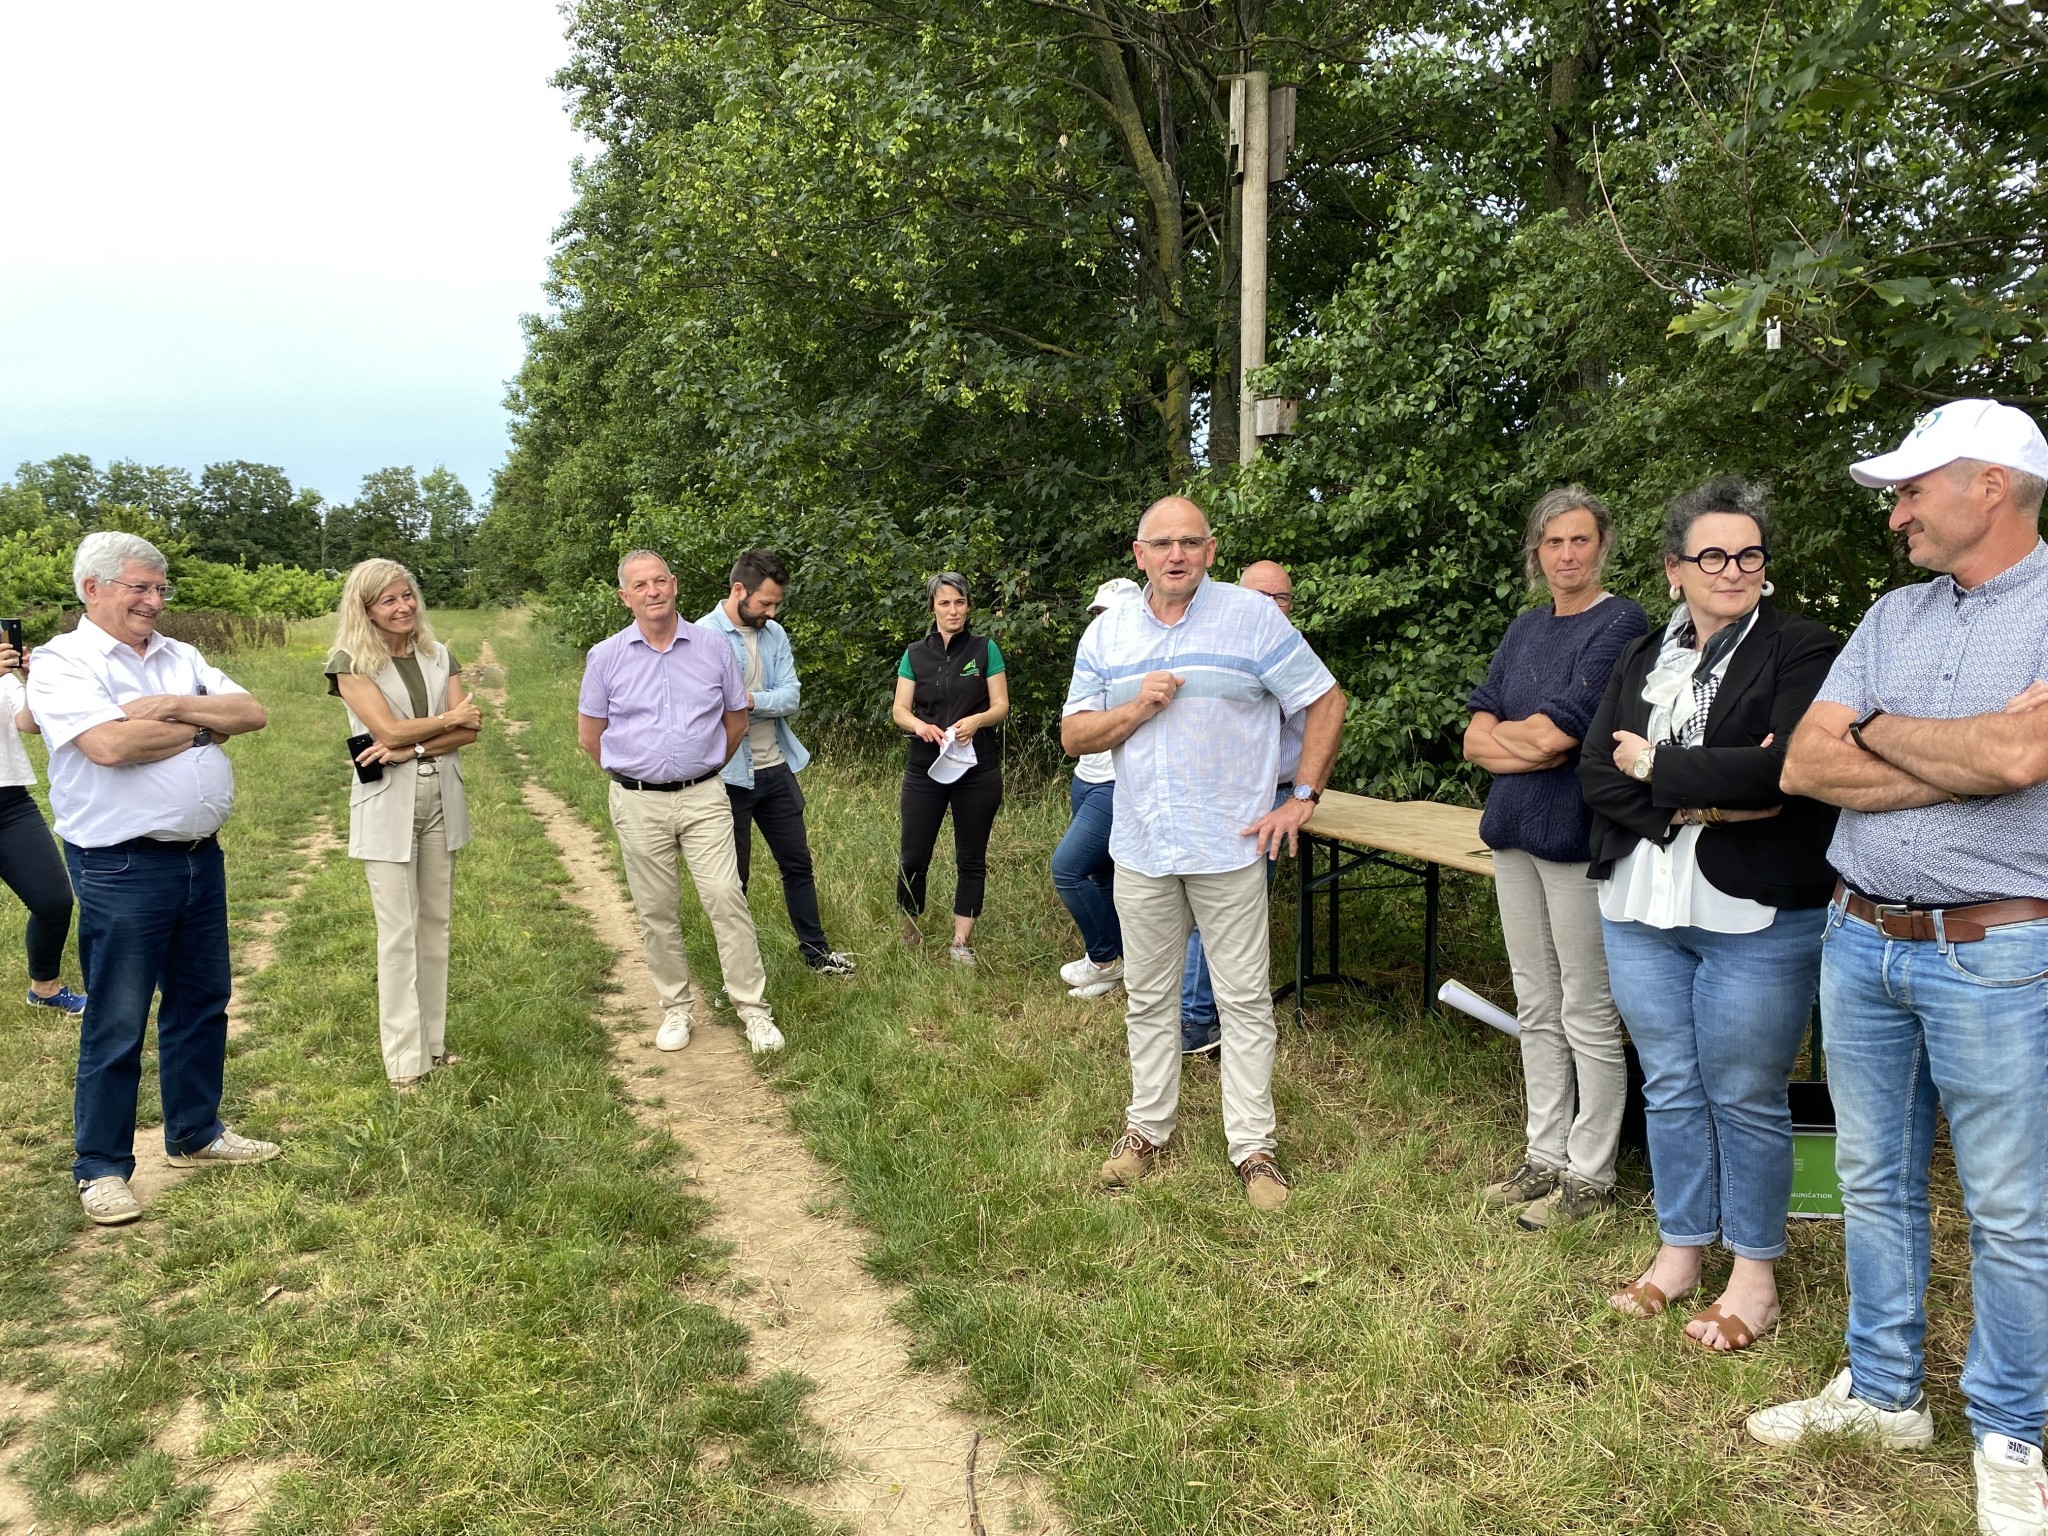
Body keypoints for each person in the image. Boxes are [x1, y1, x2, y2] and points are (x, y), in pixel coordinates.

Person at [1750, 399, 2048, 1535]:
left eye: (1913, 487)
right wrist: (1974, 753)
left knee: (2010, 1211)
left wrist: (1890, 733)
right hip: (1858, 933)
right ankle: (1882, 1395)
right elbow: (1806, 763)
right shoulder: (1890, 613)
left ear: (1988, 486)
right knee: (1871, 1179)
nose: (1895, 509)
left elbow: (2026, 752)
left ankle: (2010, 1433)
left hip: (1998, 947)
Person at [1577, 477, 1840, 1350]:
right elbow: (1595, 773)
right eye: (1712, 556)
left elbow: (1784, 773)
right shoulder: (1646, 652)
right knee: (1674, 1085)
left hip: (1756, 910)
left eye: (1749, 554)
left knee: (1746, 1091)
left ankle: (1755, 1275)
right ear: (1675, 569)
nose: (1733, 570)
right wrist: (1699, 793)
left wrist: (1659, 766)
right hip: (1640, 902)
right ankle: (1680, 1252)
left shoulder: (1800, 649)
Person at [1064, 497, 1345, 1212]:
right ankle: (1145, 1131)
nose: (1177, 554)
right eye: (1162, 543)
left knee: (1244, 1001)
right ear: (1139, 555)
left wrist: (1303, 794)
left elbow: (1326, 699)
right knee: (1150, 998)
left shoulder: (1251, 618)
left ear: (1211, 550)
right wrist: (1136, 710)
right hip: (1142, 847)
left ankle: (1254, 1148)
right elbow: (1075, 737)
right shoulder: (1109, 635)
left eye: (1190, 542)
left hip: (1231, 846)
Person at [27, 532, 277, 1226]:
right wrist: (204, 724)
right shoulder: (62, 662)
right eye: (139, 587)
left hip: (200, 855)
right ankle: (101, 1168)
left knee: (202, 999)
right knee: (118, 1017)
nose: (153, 601)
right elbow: (109, 745)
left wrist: (169, 708)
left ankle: (195, 1132)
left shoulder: (178, 656)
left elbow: (251, 713)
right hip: (121, 863)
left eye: (160, 589)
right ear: (93, 588)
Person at [1463, 487, 1647, 1230]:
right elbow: (1478, 732)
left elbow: (1556, 735)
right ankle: (1542, 1154)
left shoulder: (1623, 621)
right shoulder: (1524, 627)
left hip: (1575, 837)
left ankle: (1591, 1172)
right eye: (1553, 543)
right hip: (1511, 832)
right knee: (1535, 1002)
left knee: (1587, 1005)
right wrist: (1524, 741)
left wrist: (1521, 740)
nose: (1567, 555)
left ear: (1602, 545)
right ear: (1536, 553)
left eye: (1580, 541)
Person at [577, 550, 784, 1056]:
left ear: (675, 586)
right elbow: (590, 736)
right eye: (640, 586)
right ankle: (676, 1008)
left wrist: (705, 764)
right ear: (625, 598)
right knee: (657, 910)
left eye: (660, 582)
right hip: (637, 802)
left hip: (704, 796)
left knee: (725, 896)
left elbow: (736, 721)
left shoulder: (714, 648)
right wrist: (636, 775)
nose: (653, 592)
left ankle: (754, 1012)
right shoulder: (605, 657)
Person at [327, 560, 482, 1091]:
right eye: (389, 600)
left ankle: (433, 1047)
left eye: (408, 596)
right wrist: (444, 721)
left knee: (435, 925)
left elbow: (470, 731)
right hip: (387, 803)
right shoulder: (349, 662)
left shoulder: (438, 654)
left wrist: (414, 745)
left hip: (442, 793)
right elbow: (386, 730)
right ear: (365, 608)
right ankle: (403, 1062)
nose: (403, 607)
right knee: (398, 933)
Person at [696, 550, 855, 977]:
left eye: (776, 604)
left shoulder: (775, 634)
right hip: (727, 775)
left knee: (798, 865)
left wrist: (748, 701)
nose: (771, 611)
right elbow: (705, 706)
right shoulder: (699, 637)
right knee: (734, 880)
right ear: (737, 591)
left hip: (776, 768)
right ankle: (739, 973)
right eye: (765, 603)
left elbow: (791, 697)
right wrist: (747, 704)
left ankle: (817, 956)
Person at [1178, 559, 1311, 1055]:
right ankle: (1194, 1020)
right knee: (1219, 910)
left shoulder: (1296, 653)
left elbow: (1327, 713)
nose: (1272, 607)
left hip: (1277, 796)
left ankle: (1200, 1013)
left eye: (1282, 599)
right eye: (1260, 597)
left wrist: (1303, 795)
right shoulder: (1221, 647)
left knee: (1233, 911)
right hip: (1222, 794)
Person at [892, 572, 1010, 964]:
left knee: (971, 856)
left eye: (959, 602)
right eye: (944, 603)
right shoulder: (915, 654)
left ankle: (961, 942)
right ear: (932, 608)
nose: (952, 610)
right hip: (926, 767)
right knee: (913, 854)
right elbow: (899, 710)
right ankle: (909, 932)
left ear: (968, 606)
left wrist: (976, 721)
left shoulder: (984, 649)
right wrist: (918, 726)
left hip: (976, 768)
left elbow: (1001, 706)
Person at [1053, 577, 1140, 1000]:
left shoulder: (1142, 662)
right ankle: (1114, 972)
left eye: (1110, 613)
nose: (1101, 621)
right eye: (1096, 613)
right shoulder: (1094, 657)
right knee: (1102, 874)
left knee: (1067, 869)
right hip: (1085, 778)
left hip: (1115, 783)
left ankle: (1103, 958)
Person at [1, 631, 87, 1014]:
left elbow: (30, 723)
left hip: (8, 802)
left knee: (53, 900)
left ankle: (45, 989)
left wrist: (35, 678)